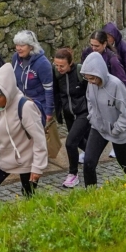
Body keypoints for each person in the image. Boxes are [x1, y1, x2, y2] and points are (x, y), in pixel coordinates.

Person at [0, 63, 48, 209]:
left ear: (7, 93)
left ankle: (31, 222)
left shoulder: (25, 107)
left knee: (29, 195)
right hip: (0, 156)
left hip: (25, 159)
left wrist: (37, 167)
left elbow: (39, 139)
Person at [80, 52, 126, 187]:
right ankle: (91, 195)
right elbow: (90, 101)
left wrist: (116, 129)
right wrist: (93, 118)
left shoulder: (116, 85)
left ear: (100, 73)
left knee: (125, 164)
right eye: (88, 79)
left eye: (93, 78)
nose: (91, 82)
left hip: (120, 131)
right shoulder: (91, 84)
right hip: (99, 127)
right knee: (88, 163)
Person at [53, 48, 89, 189]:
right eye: (57, 65)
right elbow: (56, 93)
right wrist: (58, 112)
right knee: (79, 142)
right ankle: (93, 152)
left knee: (70, 143)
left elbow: (90, 92)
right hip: (68, 114)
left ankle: (73, 174)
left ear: (70, 63)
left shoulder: (80, 73)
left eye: (62, 65)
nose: (59, 68)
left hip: (83, 113)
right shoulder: (56, 73)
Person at [11, 30, 54, 126]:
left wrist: (49, 111)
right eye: (17, 45)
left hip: (38, 106)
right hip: (21, 104)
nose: (18, 48)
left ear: (31, 46)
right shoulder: (15, 58)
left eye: (22, 46)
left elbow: (49, 89)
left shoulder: (43, 64)